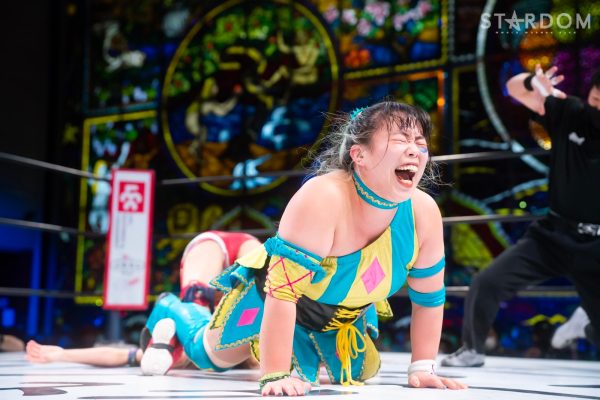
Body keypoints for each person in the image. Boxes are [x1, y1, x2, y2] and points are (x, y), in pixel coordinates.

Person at [141, 101, 467, 395]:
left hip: (339, 319)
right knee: (208, 356)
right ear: (359, 155)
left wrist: (422, 368)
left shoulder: (423, 212)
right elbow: (283, 293)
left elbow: (428, 298)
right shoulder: (322, 197)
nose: (414, 151)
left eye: (420, 143)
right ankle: (173, 308)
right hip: (273, 299)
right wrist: (275, 375)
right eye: (400, 140)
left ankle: (272, 349)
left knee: (362, 372)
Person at [442, 66, 600, 367]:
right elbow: (514, 88)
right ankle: (472, 349)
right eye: (595, 100)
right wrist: (532, 81)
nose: (597, 108)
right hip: (553, 235)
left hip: (596, 246)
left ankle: (584, 325)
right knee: (487, 282)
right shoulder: (570, 111)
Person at [25, 231, 260, 369]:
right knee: (258, 286)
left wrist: (62, 354)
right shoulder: (225, 348)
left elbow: (123, 355)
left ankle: (168, 322)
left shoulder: (184, 354)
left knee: (196, 301)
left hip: (206, 306)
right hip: (222, 281)